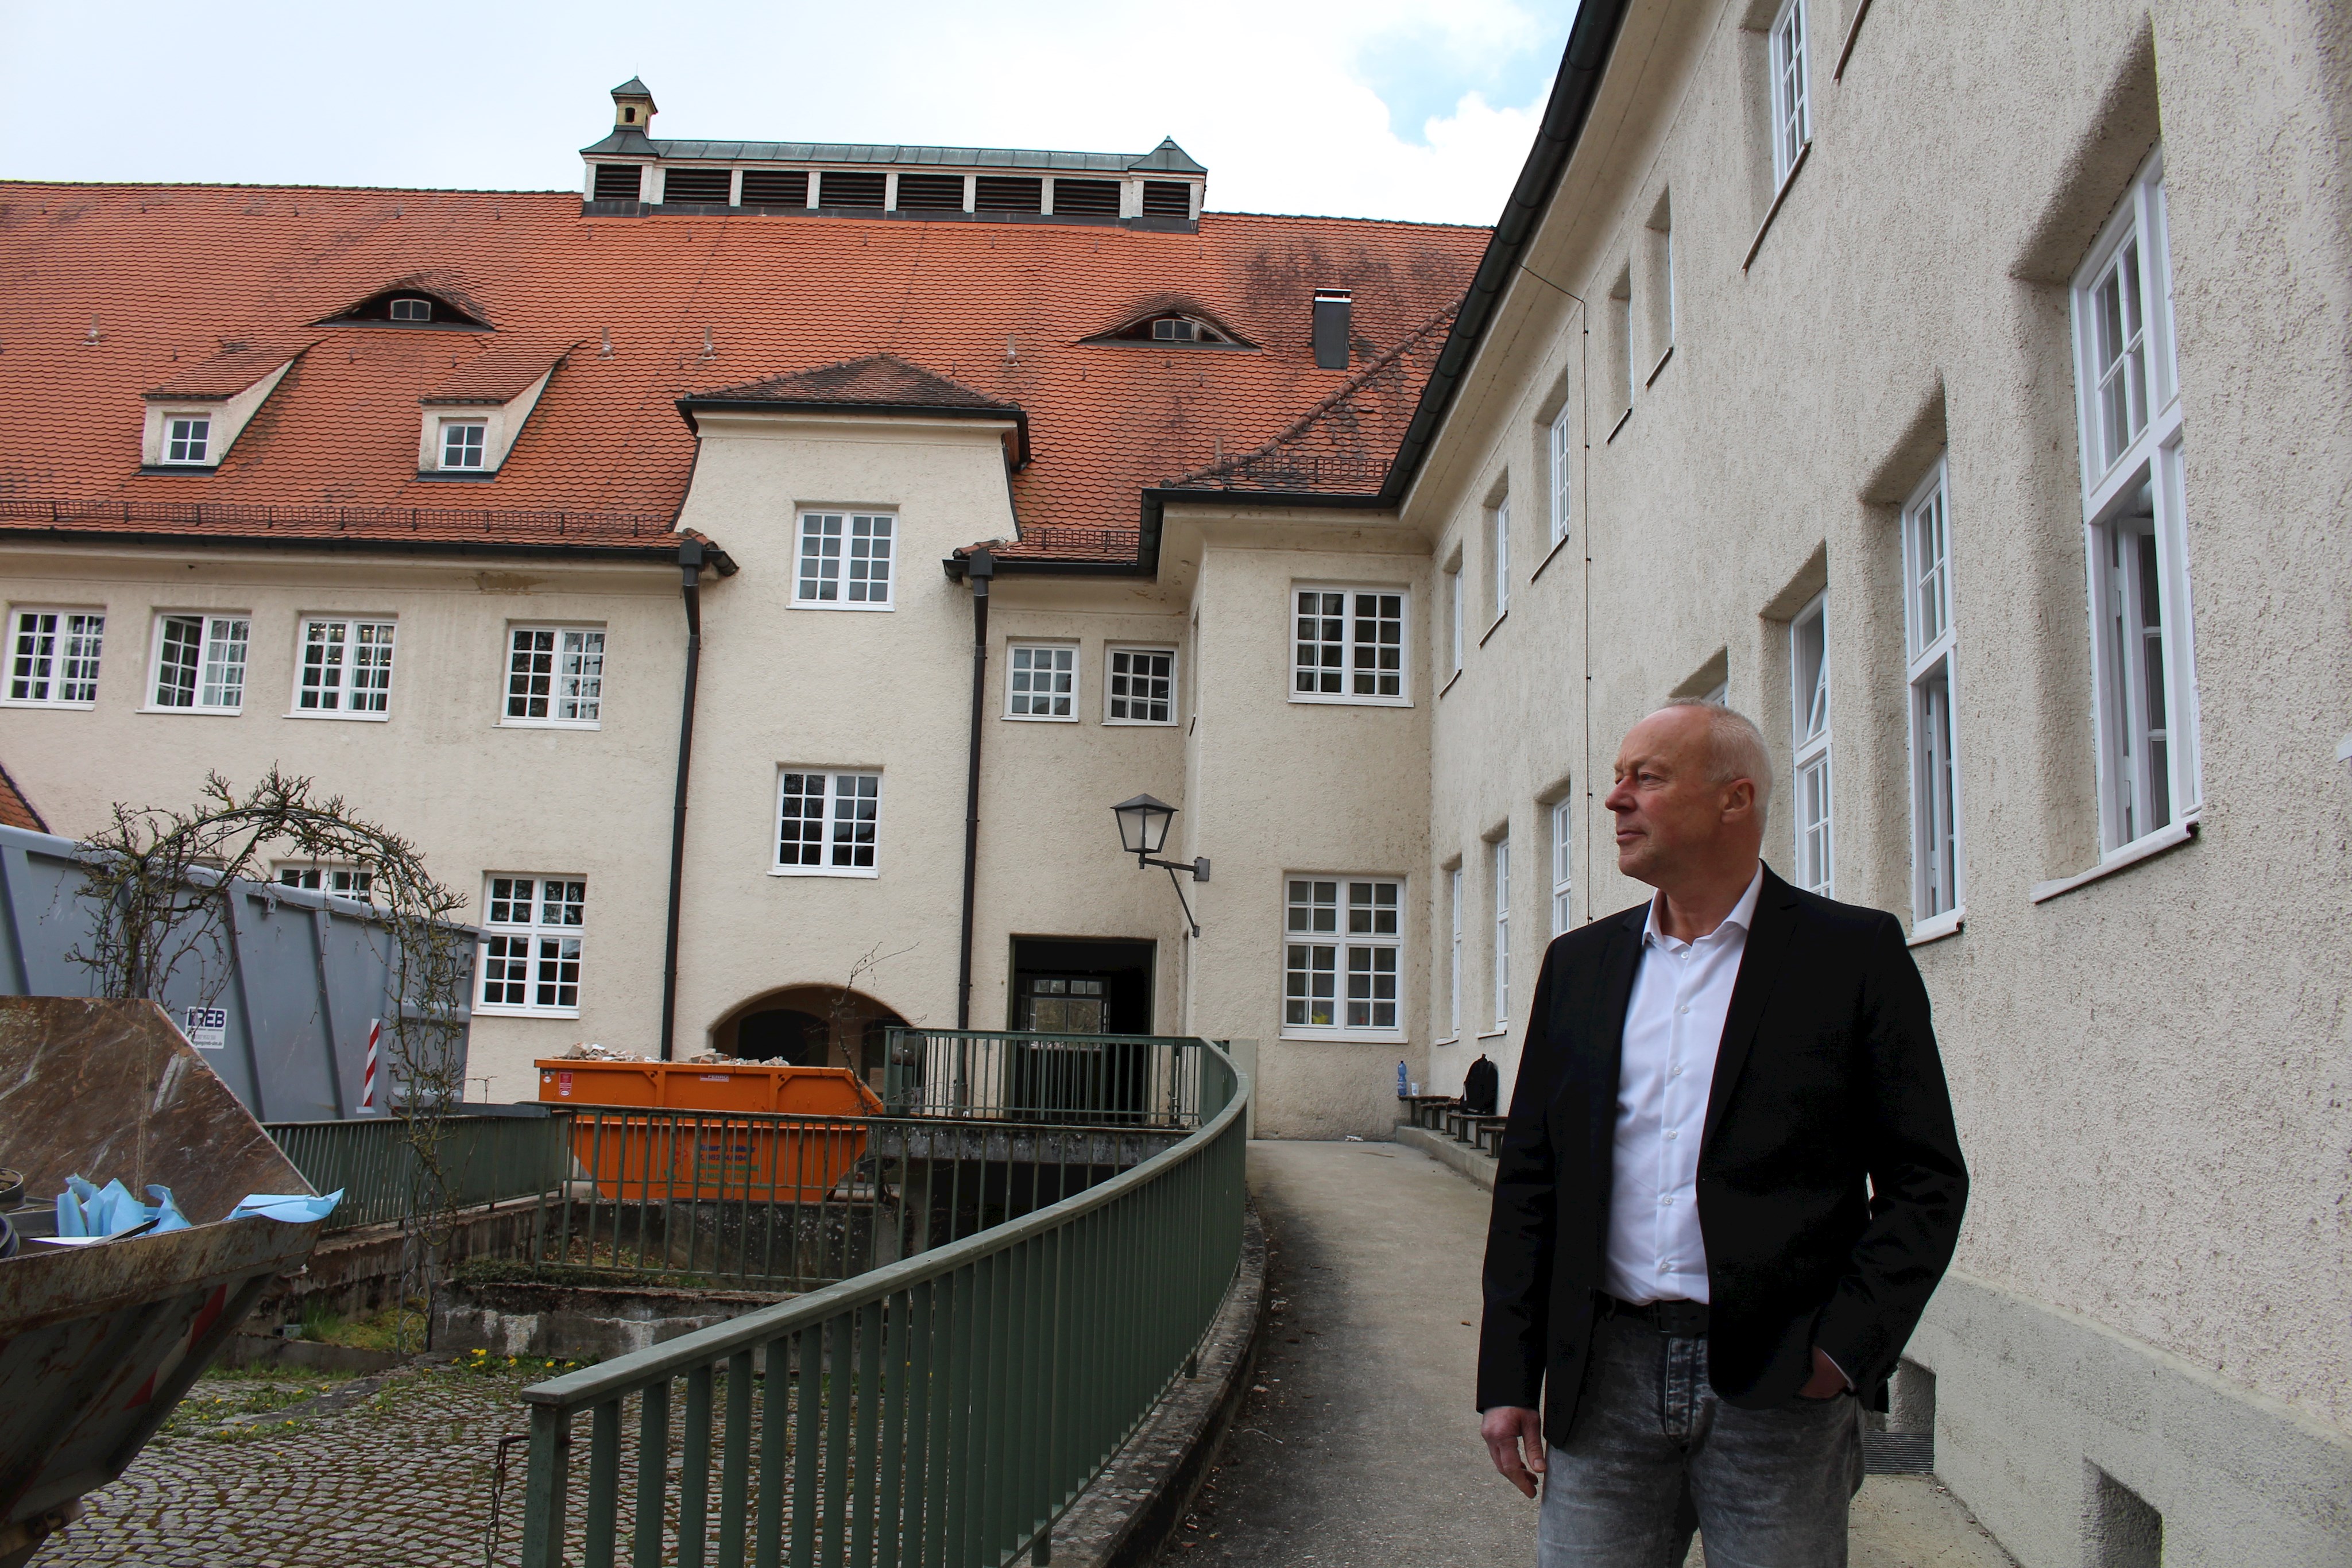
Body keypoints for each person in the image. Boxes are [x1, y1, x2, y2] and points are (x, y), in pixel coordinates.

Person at [1476, 702, 1967, 1566]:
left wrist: (1841, 1354)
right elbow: (1531, 1184)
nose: (1614, 800)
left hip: (1778, 1387)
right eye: (1618, 777)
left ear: (1735, 800)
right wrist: (1510, 1378)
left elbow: (1925, 1180)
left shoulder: (1851, 956)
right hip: (1603, 1379)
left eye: (1647, 778)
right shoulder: (1580, 967)